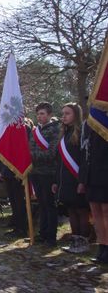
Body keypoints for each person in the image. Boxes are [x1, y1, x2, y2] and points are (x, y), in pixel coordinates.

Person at [53, 103, 90, 253]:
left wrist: (82, 181)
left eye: (67, 113)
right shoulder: (64, 133)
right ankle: (75, 241)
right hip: (65, 180)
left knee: (81, 211)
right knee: (71, 210)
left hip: (77, 178)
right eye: (63, 113)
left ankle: (83, 242)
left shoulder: (81, 132)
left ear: (76, 115)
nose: (64, 116)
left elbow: (85, 159)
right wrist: (56, 181)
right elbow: (59, 161)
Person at [29, 102, 60, 246]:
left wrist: (30, 156)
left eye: (42, 114)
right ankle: (42, 233)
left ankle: (51, 237)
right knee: (41, 204)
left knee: (49, 205)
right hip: (36, 172)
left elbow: (51, 153)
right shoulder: (35, 130)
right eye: (38, 114)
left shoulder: (55, 130)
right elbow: (30, 146)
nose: (39, 116)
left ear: (49, 115)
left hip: (48, 172)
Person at [81, 119, 108, 264]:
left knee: (106, 212)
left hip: (105, 175)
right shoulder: (89, 125)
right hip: (92, 176)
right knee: (96, 214)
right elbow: (85, 154)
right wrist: (83, 179)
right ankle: (102, 247)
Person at [0, 160, 27, 237]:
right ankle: (16, 227)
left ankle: (22, 229)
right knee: (13, 202)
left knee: (19, 203)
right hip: (7, 173)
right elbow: (2, 154)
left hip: (17, 173)